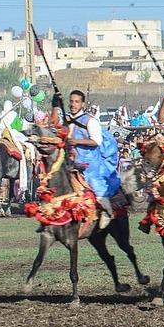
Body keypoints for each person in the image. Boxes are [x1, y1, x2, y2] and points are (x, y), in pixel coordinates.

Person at [65, 89, 122, 228]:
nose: (73, 104)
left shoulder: (90, 121)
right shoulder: (65, 119)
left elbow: (96, 141)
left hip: (89, 163)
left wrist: (76, 142)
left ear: (82, 104)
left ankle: (107, 211)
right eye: (71, 101)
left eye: (77, 102)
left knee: (97, 187)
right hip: (69, 162)